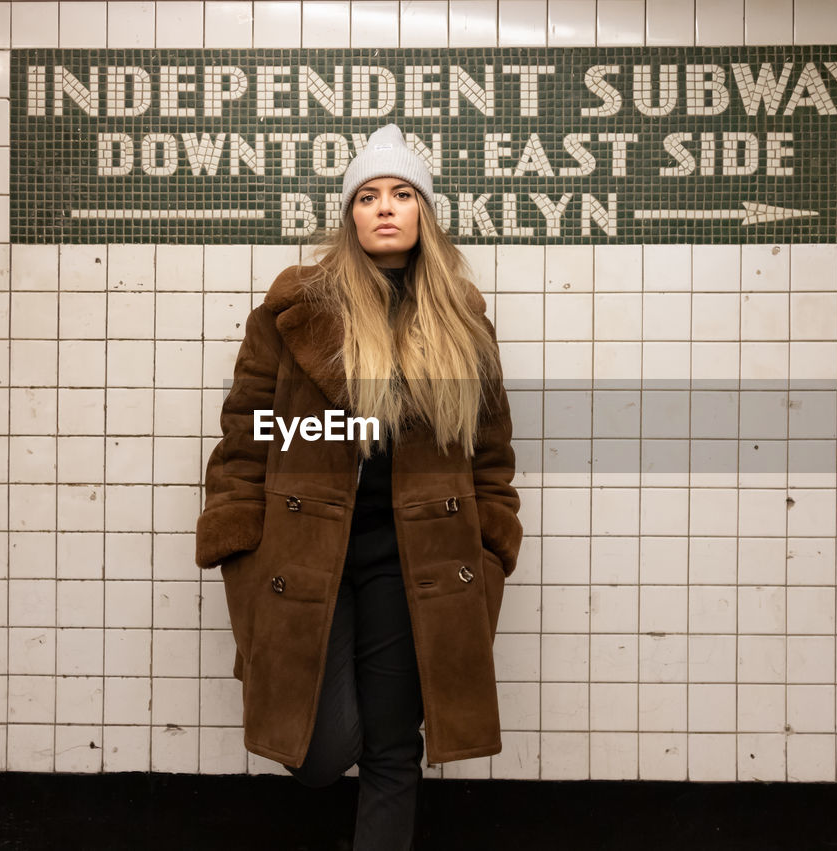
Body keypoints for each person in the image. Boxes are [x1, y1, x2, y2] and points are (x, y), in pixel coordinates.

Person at [195, 123, 523, 851]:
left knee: (393, 748)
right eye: (368, 195)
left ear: (423, 214)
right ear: (348, 214)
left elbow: (491, 457)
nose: (384, 207)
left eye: (402, 194)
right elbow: (246, 436)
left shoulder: (462, 322)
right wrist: (239, 544)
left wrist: (491, 544)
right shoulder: (295, 311)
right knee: (318, 749)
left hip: (416, 562)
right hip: (305, 551)